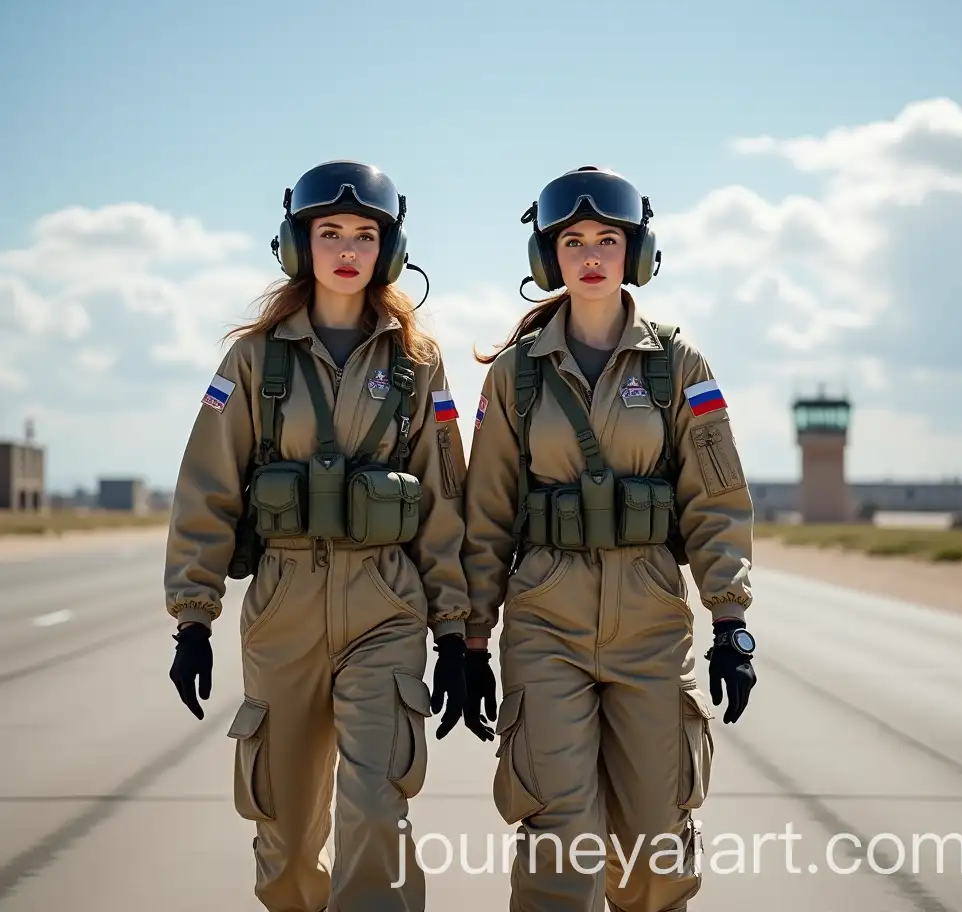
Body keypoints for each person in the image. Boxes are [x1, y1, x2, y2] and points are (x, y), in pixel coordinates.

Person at [163, 160, 482, 912]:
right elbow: (205, 486)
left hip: (386, 607)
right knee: (284, 833)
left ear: (389, 250)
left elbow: (443, 501)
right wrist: (192, 620)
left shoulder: (419, 363)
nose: (346, 248)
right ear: (296, 244)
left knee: (376, 811)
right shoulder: (250, 360)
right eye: (328, 231)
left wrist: (454, 632)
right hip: (284, 609)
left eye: (364, 234)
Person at [459, 166, 757, 911]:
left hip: (651, 626)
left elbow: (715, 501)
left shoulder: (680, 368)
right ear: (547, 258)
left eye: (609, 240)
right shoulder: (514, 377)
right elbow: (488, 513)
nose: (591, 255)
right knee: (558, 839)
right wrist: (468, 638)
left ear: (638, 254)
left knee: (657, 849)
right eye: (573, 241)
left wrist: (731, 621)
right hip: (545, 625)